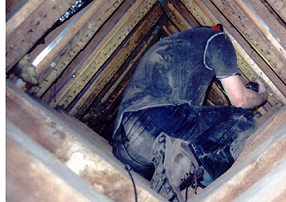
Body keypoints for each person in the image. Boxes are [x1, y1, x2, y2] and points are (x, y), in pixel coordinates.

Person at [111, 25, 268, 201]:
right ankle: (200, 185)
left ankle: (181, 177)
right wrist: (262, 95)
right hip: (157, 121)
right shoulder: (216, 38)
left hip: (128, 149)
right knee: (243, 119)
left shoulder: (173, 51)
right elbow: (240, 100)